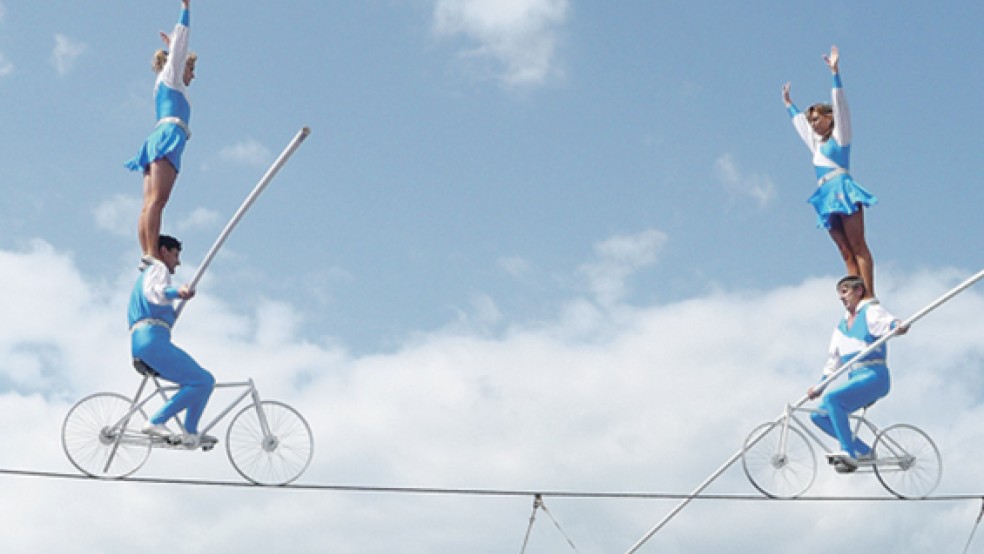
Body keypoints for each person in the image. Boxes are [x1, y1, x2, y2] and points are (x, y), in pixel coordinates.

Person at [783, 45, 878, 299]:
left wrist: (835, 74)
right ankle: (855, 296)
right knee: (845, 251)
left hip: (842, 188)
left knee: (858, 245)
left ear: (829, 118)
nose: (813, 124)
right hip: (825, 195)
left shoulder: (841, 136)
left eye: (817, 119)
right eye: (811, 120)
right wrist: (790, 105)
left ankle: (869, 296)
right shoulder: (816, 144)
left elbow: (842, 106)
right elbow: (800, 127)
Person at [807, 275, 908, 473]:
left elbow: (888, 324)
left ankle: (848, 452)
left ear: (859, 291)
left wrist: (897, 327)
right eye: (840, 294)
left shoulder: (870, 312)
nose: (842, 298)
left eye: (845, 292)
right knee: (817, 416)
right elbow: (833, 362)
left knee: (833, 399)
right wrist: (820, 385)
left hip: (874, 375)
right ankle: (862, 450)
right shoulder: (841, 326)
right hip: (855, 377)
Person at [126, 0, 197, 269]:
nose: (192, 75)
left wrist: (172, 50)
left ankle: (147, 254)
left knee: (149, 203)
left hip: (160, 136)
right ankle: (151, 254)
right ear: (180, 66)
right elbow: (182, 40)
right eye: (191, 69)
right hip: (169, 135)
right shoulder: (173, 78)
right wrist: (186, 8)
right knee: (157, 201)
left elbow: (176, 52)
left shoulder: (165, 81)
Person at [128, 234, 216, 447]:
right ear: (164, 251)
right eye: (175, 255)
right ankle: (156, 421)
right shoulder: (158, 268)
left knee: (202, 380)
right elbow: (156, 292)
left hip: (146, 340)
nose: (178, 261)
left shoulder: (150, 274)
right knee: (203, 381)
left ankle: (191, 433)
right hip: (152, 340)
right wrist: (179, 291)